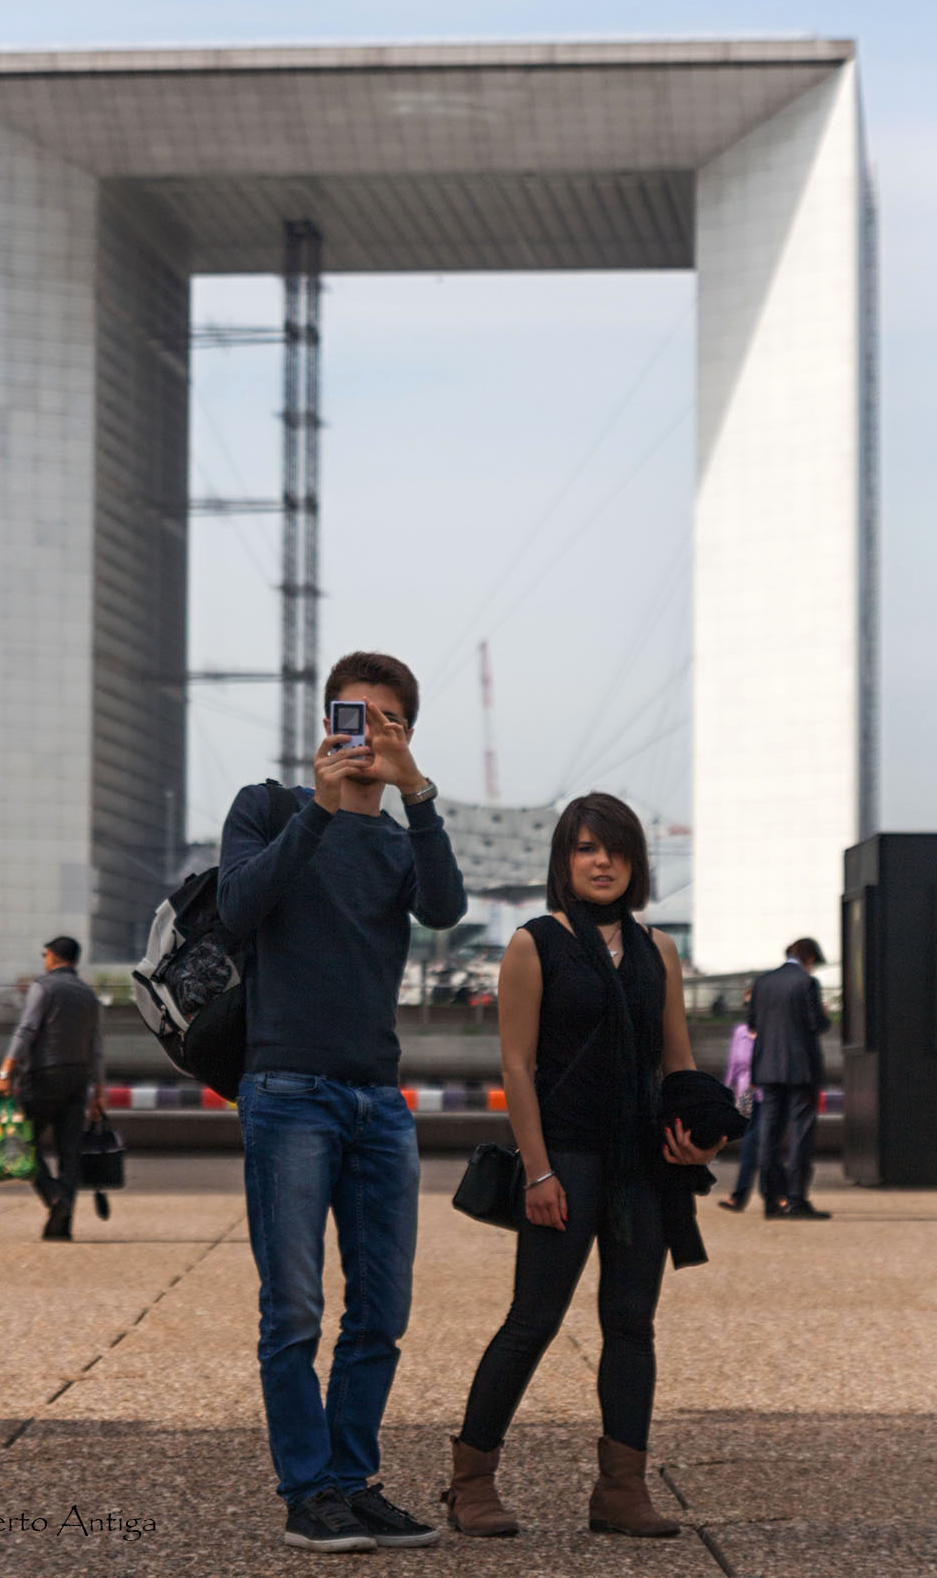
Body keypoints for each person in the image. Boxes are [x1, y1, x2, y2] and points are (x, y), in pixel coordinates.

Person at [218, 650, 466, 1554]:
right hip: (286, 1089)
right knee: (292, 1309)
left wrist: (419, 795)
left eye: (384, 722)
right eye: (349, 717)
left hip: (377, 1097)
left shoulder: (401, 841)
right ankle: (306, 1490)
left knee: (382, 1312)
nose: (363, 736)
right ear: (325, 723)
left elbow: (445, 909)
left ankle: (351, 1482)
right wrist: (320, 810)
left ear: (402, 734)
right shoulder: (270, 806)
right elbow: (240, 906)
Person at [445, 793, 724, 1541]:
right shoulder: (534, 944)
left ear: (634, 864)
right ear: (564, 861)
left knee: (631, 1324)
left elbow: (679, 1062)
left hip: (642, 1166)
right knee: (532, 1321)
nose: (602, 862)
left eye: (617, 850)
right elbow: (518, 1064)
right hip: (563, 1156)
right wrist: (537, 1173)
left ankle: (621, 1492)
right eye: (587, 848)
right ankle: (470, 1485)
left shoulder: (658, 951)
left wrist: (701, 1136)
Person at [0, 936, 105, 1240]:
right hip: (78, 1079)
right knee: (69, 1153)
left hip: (42, 1077)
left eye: (45, 954)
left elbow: (27, 1029)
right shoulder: (88, 994)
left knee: (17, 1141)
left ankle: (55, 1197)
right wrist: (99, 1090)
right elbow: (96, 1047)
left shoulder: (42, 987)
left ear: (54, 957)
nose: (44, 959)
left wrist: (5, 1070)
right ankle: (62, 1226)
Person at [749, 937, 831, 1220]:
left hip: (768, 1068)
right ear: (808, 957)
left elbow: (752, 1024)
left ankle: (771, 1199)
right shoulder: (806, 983)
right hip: (801, 1069)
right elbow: (815, 1024)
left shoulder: (762, 982)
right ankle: (796, 1199)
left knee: (769, 1134)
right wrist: (825, 1016)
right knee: (801, 1133)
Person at [718, 987, 773, 1213]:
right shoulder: (740, 1032)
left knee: (760, 1141)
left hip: (768, 1092)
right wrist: (724, 1094)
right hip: (745, 1093)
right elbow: (733, 1065)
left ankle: (748, 1195)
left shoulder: (772, 1031)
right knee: (751, 1141)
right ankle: (759, 1194)